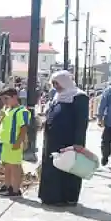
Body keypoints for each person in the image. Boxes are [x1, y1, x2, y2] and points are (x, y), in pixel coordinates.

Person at [39, 71, 89, 206]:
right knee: (52, 167)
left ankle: (67, 197)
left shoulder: (79, 97)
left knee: (68, 168)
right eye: (53, 83)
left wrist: (78, 143)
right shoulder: (57, 96)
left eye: (57, 83)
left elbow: (81, 122)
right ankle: (51, 196)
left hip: (68, 140)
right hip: (52, 140)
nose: (56, 86)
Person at [0, 88, 29, 197]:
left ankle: (15, 189)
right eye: (2, 99)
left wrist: (18, 142)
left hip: (13, 143)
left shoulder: (22, 111)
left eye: (6, 99)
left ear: (15, 97)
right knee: (6, 165)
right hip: (4, 141)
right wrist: (1, 118)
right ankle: (7, 185)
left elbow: (24, 128)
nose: (4, 102)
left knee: (15, 166)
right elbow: (1, 124)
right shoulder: (6, 109)